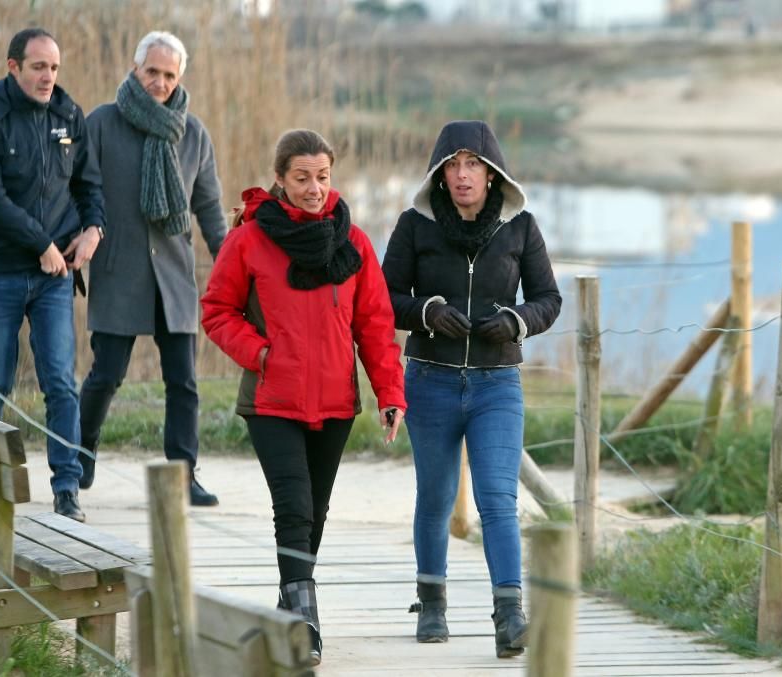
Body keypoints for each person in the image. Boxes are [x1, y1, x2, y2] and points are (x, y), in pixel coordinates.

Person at [201, 129, 406, 665]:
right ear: (280, 179)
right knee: (292, 508)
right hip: (272, 400)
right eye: (302, 178)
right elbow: (217, 311)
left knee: (314, 512)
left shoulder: (354, 242)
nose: (315, 189)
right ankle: (306, 627)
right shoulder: (248, 240)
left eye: (323, 177)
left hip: (337, 402)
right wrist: (261, 354)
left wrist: (390, 392)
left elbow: (376, 325)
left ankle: (289, 608)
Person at [382, 120, 561, 657]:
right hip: (430, 381)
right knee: (434, 499)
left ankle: (510, 616)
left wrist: (515, 321)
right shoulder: (414, 225)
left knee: (498, 501)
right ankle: (432, 605)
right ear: (440, 173)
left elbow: (549, 299)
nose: (463, 176)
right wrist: (429, 312)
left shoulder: (521, 227)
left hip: (497, 386)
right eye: (453, 166)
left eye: (473, 165)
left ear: (492, 173)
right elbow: (386, 297)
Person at [0, 28, 106, 523]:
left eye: (55, 68)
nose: (49, 77)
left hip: (55, 276)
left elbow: (90, 186)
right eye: (39, 67)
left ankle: (67, 490)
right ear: (13, 67)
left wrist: (93, 230)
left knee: (61, 383)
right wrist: (39, 243)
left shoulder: (69, 116)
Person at [77, 31, 227, 506]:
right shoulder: (101, 123)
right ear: (135, 69)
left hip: (175, 277)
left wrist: (230, 264)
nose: (159, 82)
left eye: (169, 74)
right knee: (107, 374)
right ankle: (79, 452)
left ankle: (184, 474)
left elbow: (210, 209)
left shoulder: (194, 132)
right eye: (152, 72)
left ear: (180, 77)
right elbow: (84, 193)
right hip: (118, 270)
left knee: (183, 380)